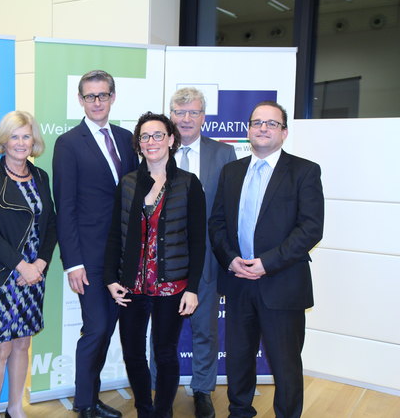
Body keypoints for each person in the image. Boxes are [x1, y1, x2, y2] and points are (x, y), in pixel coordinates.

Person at [209, 101, 324, 418]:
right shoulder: (231, 171)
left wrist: (267, 263)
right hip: (238, 282)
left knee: (285, 363)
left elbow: (311, 229)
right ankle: (240, 411)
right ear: (248, 130)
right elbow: (217, 223)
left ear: (284, 132)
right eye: (257, 122)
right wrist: (230, 259)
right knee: (238, 357)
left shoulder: (304, 171)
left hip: (282, 283)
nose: (262, 128)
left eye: (271, 123)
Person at [104, 112, 206, 418]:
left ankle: (163, 413)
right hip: (132, 285)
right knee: (134, 354)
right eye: (145, 137)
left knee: (165, 354)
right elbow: (114, 236)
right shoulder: (129, 183)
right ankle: (144, 411)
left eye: (158, 135)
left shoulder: (188, 184)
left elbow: (198, 242)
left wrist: (193, 288)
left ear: (171, 140)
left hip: (172, 285)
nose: (151, 142)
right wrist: (111, 278)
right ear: (138, 143)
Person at [53, 70, 139, 418]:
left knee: (108, 327)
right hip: (88, 258)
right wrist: (72, 262)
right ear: (80, 100)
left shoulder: (125, 138)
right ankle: (85, 402)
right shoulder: (68, 143)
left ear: (113, 97)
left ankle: (90, 395)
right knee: (97, 327)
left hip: (122, 257)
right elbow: (65, 206)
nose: (97, 102)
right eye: (90, 97)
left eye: (103, 95)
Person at [0, 111, 57, 418]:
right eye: (15, 136)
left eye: (26, 136)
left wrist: (40, 265)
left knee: (22, 345)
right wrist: (23, 266)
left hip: (34, 277)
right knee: (0, 349)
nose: (21, 142)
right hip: (0, 277)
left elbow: (52, 226)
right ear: (3, 141)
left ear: (33, 140)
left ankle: (15, 409)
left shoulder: (41, 176)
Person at [169, 87, 237, 418]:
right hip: (163, 259)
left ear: (203, 117)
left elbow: (228, 207)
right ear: (171, 116)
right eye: (180, 113)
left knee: (205, 329)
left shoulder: (223, 154)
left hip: (207, 256)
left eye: (193, 113)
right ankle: (161, 387)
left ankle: (203, 390)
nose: (186, 119)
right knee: (162, 328)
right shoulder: (156, 147)